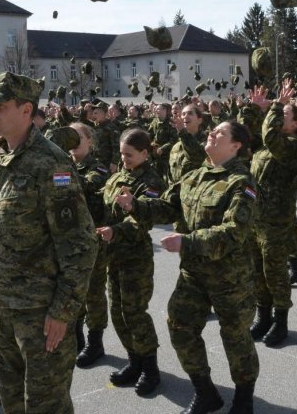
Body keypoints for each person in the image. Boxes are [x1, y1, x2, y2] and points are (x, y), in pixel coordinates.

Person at [116, 121, 259, 413]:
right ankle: (205, 391)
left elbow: (235, 231)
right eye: (212, 130)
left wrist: (188, 242)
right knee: (179, 325)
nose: (211, 134)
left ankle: (243, 398)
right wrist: (136, 206)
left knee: (235, 337)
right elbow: (168, 206)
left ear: (236, 146)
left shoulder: (242, 182)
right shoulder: (195, 176)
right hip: (194, 275)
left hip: (230, 278)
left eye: (220, 133)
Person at [0, 72, 97, 414]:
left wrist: (63, 311)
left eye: (0, 105)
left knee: (46, 406)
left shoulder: (52, 162)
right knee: (12, 401)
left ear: (26, 110)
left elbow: (80, 243)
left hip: (41, 314)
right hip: (4, 309)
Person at [96, 128, 165, 396]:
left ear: (145, 153)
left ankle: (150, 368)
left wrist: (116, 231)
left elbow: (142, 221)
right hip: (112, 255)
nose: (124, 158)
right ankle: (134, 361)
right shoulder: (117, 177)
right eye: (122, 153)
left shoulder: (150, 182)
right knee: (118, 313)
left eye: (130, 154)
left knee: (135, 314)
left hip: (135, 256)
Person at [248, 81, 297, 347]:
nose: (277, 112)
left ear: (295, 124)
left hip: (276, 220)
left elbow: (270, 136)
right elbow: (244, 135)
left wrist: (277, 106)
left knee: (275, 272)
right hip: (256, 217)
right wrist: (254, 109)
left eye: (284, 114)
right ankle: (263, 317)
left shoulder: (293, 145)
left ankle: (281, 321)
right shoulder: (267, 144)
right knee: (258, 271)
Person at [69, 122, 111, 368]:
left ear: (90, 142)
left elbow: (83, 186)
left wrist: (60, 173)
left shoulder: (98, 167)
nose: (73, 140)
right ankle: (76, 335)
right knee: (73, 289)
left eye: (78, 136)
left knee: (94, 293)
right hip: (69, 239)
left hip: (92, 238)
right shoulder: (65, 163)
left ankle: (96, 342)